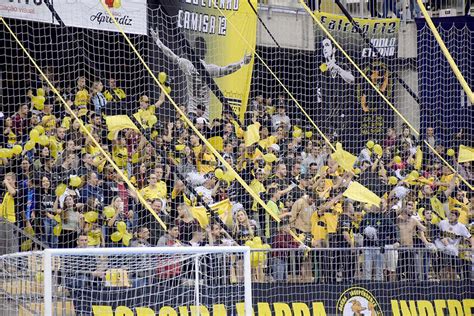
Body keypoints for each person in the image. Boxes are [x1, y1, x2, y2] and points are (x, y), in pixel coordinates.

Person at [150, 28, 251, 120]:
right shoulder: (209, 68)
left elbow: (170, 54)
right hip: (204, 114)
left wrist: (158, 41)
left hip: (192, 112)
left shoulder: (187, 64)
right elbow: (228, 69)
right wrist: (242, 62)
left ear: (192, 50)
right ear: (205, 52)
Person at [435, 210, 473, 280]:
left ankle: (453, 289)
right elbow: (436, 233)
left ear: (457, 217)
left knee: (453, 272)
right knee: (444, 271)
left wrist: (473, 246)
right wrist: (441, 240)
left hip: (453, 252)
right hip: (443, 251)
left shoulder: (461, 227)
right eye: (450, 215)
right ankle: (443, 288)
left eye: (453, 215)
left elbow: (470, 237)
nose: (450, 217)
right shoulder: (442, 223)